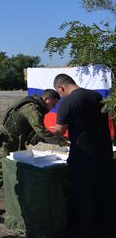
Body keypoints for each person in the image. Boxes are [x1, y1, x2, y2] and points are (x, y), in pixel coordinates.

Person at [51, 74, 114, 238]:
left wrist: (47, 130)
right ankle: (107, 227)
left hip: (83, 155)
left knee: (84, 193)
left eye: (60, 93)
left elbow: (60, 131)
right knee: (104, 190)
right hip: (104, 151)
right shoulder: (96, 96)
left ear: (61, 88)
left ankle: (87, 230)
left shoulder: (67, 102)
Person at [0, 89, 67, 215]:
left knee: (21, 166)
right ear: (46, 99)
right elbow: (41, 131)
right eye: (53, 104)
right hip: (7, 140)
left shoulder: (36, 107)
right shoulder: (32, 108)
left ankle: (16, 196)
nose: (53, 108)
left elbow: (34, 132)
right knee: (2, 167)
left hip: (17, 139)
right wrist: (62, 142)